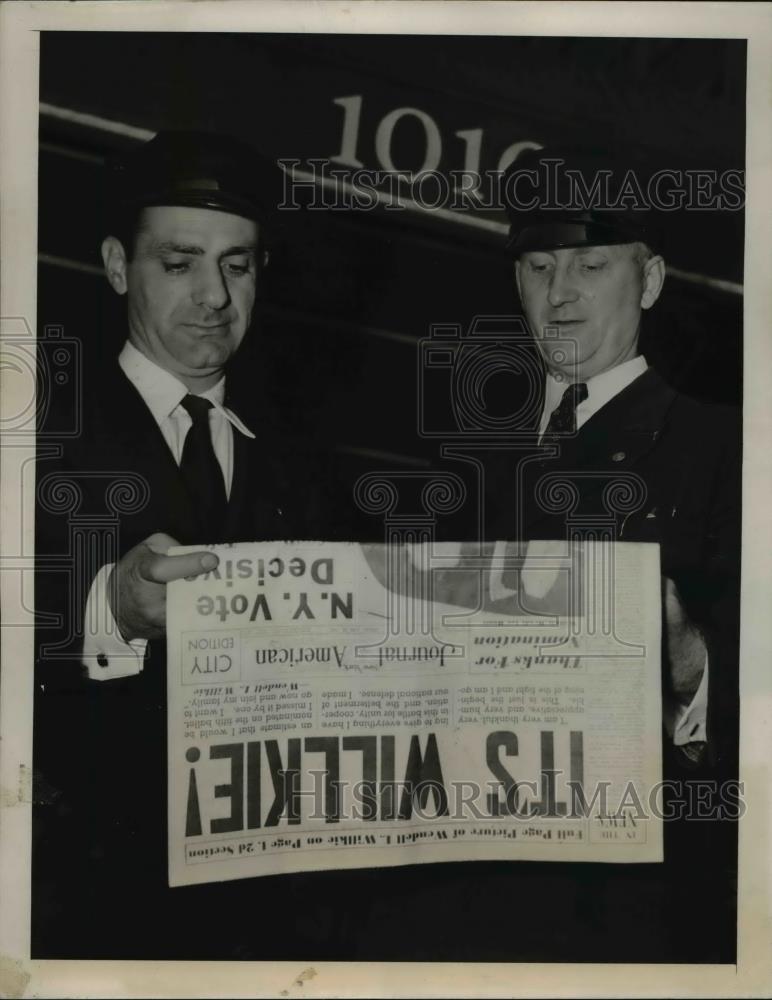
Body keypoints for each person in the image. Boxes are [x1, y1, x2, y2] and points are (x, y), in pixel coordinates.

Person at [32, 130, 342, 957]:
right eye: (179, 263)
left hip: (263, 909)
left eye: (236, 265)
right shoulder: (32, 429)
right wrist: (112, 608)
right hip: (70, 900)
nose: (212, 296)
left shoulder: (308, 465)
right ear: (112, 264)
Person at [494, 146, 740, 781]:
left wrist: (688, 661)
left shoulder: (728, 449)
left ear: (650, 281)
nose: (560, 294)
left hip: (642, 851)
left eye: (592, 266)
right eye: (539, 266)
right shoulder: (463, 457)